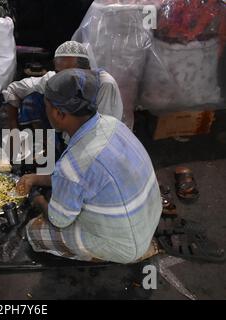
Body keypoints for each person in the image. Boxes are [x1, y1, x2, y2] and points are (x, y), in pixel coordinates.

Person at [16, 68, 161, 264]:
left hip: (127, 246)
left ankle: (104, 254)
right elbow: (81, 178)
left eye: (46, 106)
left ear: (59, 114)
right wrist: (35, 178)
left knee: (34, 231)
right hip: (149, 218)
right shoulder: (112, 124)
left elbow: (58, 220)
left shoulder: (73, 164)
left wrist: (37, 198)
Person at [2, 41, 123, 130]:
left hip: (94, 143)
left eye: (71, 73)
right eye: (60, 73)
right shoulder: (55, 79)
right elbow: (13, 90)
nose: (64, 78)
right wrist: (14, 130)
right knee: (32, 100)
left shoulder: (104, 85)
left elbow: (105, 131)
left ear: (87, 69)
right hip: (63, 137)